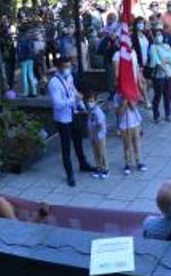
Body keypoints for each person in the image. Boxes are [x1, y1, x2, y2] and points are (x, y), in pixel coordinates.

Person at [47, 56, 94, 187]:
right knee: (66, 146)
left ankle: (83, 164)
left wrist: (82, 106)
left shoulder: (69, 77)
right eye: (66, 67)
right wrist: (73, 100)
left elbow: (73, 91)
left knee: (78, 141)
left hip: (74, 114)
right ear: (59, 67)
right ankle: (69, 174)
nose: (68, 69)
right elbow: (58, 104)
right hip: (63, 119)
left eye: (69, 66)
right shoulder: (54, 83)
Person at [148, 25, 171, 123]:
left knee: (167, 96)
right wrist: (164, 63)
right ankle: (156, 116)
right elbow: (155, 61)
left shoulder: (167, 46)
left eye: (160, 34)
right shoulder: (153, 47)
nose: (159, 36)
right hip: (159, 75)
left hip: (169, 74)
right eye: (156, 35)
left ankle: (168, 114)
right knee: (158, 96)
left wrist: (165, 61)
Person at [118, 98, 146, 175]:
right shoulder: (117, 97)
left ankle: (139, 162)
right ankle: (128, 164)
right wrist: (124, 104)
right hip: (125, 126)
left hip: (135, 124)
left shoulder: (132, 94)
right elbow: (119, 113)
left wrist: (131, 102)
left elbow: (135, 107)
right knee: (127, 146)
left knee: (136, 145)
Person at [85, 90, 109, 179]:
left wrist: (95, 132)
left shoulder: (98, 111)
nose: (89, 103)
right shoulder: (91, 111)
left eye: (91, 101)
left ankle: (105, 168)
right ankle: (98, 167)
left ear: (95, 101)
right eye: (88, 101)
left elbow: (100, 123)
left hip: (99, 135)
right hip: (93, 135)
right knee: (95, 152)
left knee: (102, 151)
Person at [16, 29, 38, 97]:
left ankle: (26, 92)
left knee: (24, 76)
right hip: (30, 59)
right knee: (31, 75)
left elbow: (18, 51)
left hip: (23, 59)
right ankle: (34, 91)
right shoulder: (30, 40)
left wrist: (18, 59)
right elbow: (33, 50)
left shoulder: (20, 41)